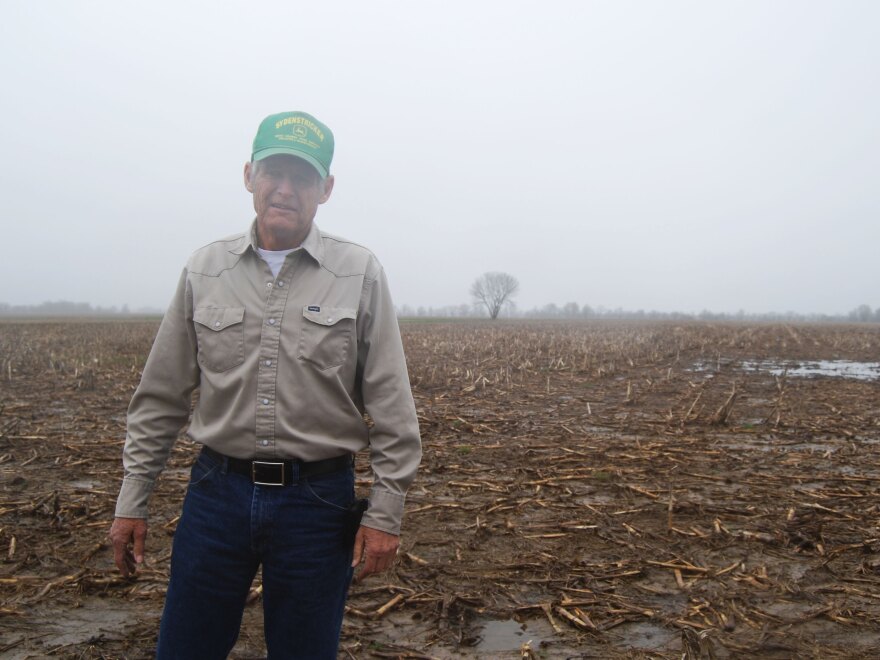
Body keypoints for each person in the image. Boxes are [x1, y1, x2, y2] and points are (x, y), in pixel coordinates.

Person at [109, 111, 422, 659]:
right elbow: (159, 398)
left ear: (325, 189)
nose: (284, 189)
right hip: (215, 497)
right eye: (273, 172)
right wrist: (131, 501)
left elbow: (393, 406)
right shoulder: (205, 269)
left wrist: (386, 512)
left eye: (301, 177)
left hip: (318, 506)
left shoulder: (359, 273)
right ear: (249, 175)